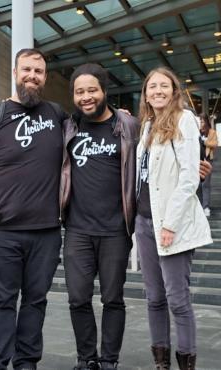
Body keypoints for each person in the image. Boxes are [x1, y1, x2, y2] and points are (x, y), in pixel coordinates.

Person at [0, 48, 67, 370]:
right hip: (4, 230)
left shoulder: (57, 115)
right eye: (27, 69)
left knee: (36, 302)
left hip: (47, 231)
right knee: (2, 302)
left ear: (44, 78)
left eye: (38, 72)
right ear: (15, 73)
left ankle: (26, 364)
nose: (32, 76)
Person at [60, 63, 140, 370]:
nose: (86, 97)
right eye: (79, 92)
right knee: (77, 299)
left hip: (115, 230)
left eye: (92, 90)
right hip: (77, 229)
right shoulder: (68, 127)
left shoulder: (128, 126)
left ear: (104, 91)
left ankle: (109, 360)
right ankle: (86, 359)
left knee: (112, 299)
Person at [134, 67, 212, 370]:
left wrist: (170, 223)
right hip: (144, 223)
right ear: (146, 93)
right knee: (154, 298)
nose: (157, 91)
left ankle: (186, 363)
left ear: (174, 90)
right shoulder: (148, 125)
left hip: (170, 225)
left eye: (163, 86)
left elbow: (189, 176)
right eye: (151, 87)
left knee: (177, 300)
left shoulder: (184, 121)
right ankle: (162, 363)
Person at [198, 113, 218, 217]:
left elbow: (214, 144)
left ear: (206, 121)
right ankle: (199, 206)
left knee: (205, 184)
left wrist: (205, 142)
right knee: (198, 185)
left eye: (202, 121)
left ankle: (206, 207)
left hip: (207, 160)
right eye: (199, 121)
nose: (201, 123)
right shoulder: (195, 131)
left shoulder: (211, 132)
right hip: (196, 160)